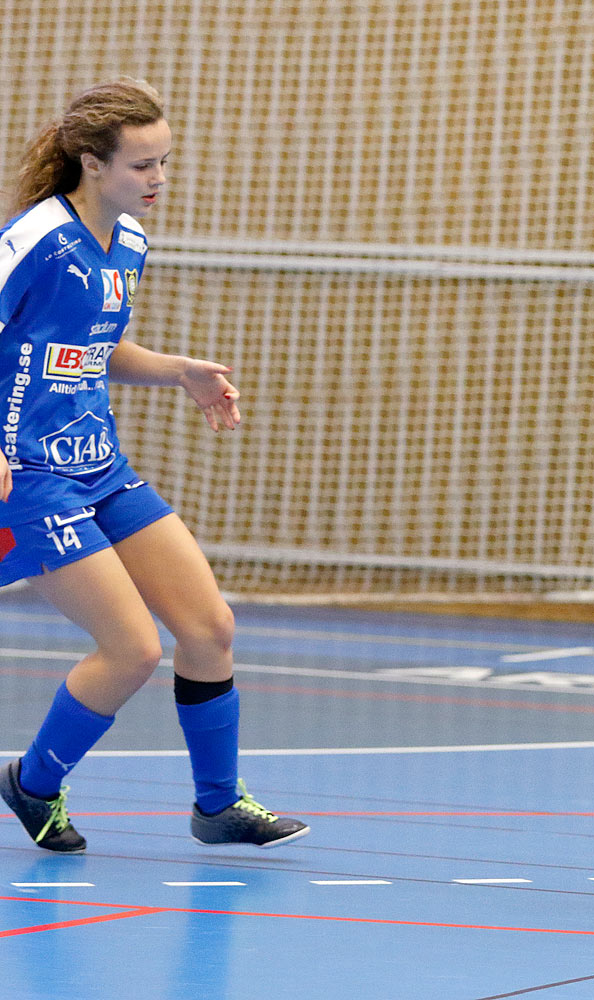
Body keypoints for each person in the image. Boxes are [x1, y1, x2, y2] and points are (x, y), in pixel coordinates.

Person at [0, 79, 308, 852]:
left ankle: (218, 806)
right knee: (132, 649)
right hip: (29, 474)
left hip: (98, 464)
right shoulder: (35, 237)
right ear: (91, 162)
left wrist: (177, 370)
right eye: (142, 166)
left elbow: (92, 351)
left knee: (209, 627)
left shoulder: (129, 241)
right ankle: (32, 784)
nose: (158, 179)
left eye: (165, 161)